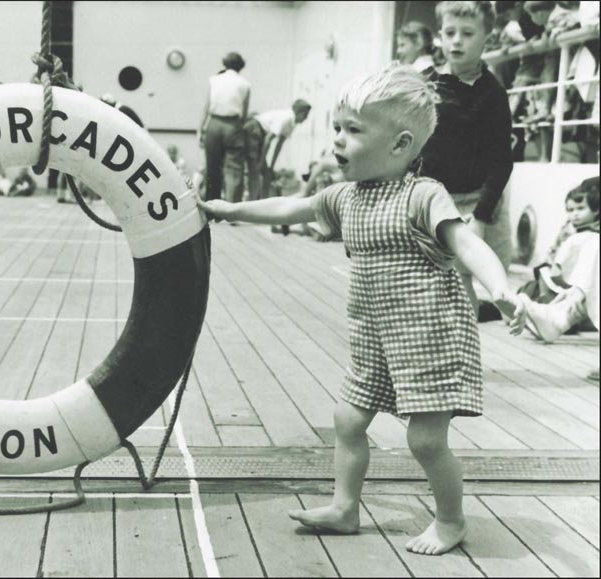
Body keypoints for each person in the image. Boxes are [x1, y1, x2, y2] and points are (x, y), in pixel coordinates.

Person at [198, 64, 526, 556]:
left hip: (428, 336)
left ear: (399, 145)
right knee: (347, 421)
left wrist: (500, 287)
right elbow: (293, 206)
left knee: (426, 442)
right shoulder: (346, 197)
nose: (337, 140)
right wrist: (231, 209)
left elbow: (465, 243)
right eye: (337, 127)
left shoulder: (422, 195)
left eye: (353, 130)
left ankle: (451, 520)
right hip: (373, 334)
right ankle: (345, 506)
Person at [421, 1, 514, 320]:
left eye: (467, 33)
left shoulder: (492, 94)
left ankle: (462, 360)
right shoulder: (423, 84)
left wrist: (482, 215)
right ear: (440, 36)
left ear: (487, 38)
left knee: (471, 281)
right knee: (436, 284)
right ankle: (439, 356)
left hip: (474, 203)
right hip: (430, 199)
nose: (456, 40)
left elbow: (501, 160)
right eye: (449, 32)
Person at [520, 176, 599, 342]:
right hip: (571, 282)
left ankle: (560, 316)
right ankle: (561, 314)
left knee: (594, 242)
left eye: (580, 208)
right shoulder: (592, 186)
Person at [198, 52, 251, 202]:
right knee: (233, 168)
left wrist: (200, 129)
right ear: (241, 66)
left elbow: (206, 107)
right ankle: (231, 208)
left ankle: (211, 205)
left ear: (225, 64)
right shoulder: (245, 84)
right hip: (233, 124)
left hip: (214, 123)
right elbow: (245, 113)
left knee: (212, 167)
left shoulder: (214, 80)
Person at [243, 99, 312, 202]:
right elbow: (268, 140)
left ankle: (263, 203)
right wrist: (262, 162)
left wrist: (271, 166)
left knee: (266, 175)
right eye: (305, 114)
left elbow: (279, 145)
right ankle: (251, 204)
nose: (306, 118)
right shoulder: (286, 118)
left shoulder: (292, 124)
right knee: (256, 171)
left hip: (260, 136)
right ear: (299, 112)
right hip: (254, 130)